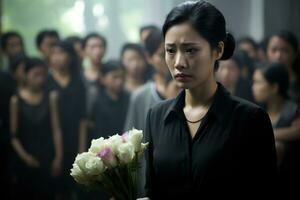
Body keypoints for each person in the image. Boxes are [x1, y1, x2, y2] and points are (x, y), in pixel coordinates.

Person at [143, 1, 277, 199]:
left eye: (191, 50)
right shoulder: (157, 116)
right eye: (171, 50)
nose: (179, 63)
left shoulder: (250, 119)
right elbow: (151, 190)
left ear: (218, 50)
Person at [10, 57, 62, 200]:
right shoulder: (16, 100)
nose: (40, 79)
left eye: (43, 75)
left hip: (47, 153)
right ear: (26, 75)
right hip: (25, 154)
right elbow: (13, 135)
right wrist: (25, 157)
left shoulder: (50, 97)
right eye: (36, 75)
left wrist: (58, 156)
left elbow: (56, 129)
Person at [46, 40, 87, 199]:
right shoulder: (45, 81)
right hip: (50, 140)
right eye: (53, 53)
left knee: (76, 187)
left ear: (70, 57)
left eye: (61, 53)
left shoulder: (78, 81)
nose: (56, 57)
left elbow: (82, 119)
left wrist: (82, 150)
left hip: (74, 138)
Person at [252, 62, 300, 192]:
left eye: (258, 82)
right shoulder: (256, 112)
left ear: (274, 87)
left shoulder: (293, 111)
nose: (253, 87)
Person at [90, 60, 130, 140]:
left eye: (122, 77)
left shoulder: (128, 99)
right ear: (102, 79)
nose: (119, 81)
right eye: (115, 77)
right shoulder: (98, 102)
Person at [266, 30, 300, 104]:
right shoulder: (263, 82)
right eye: (274, 50)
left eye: (285, 50)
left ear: (295, 54)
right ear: (267, 52)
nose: (278, 56)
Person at [82, 33, 107, 119]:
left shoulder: (111, 73)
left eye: (100, 46)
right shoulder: (80, 76)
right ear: (84, 50)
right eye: (92, 47)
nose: (97, 51)